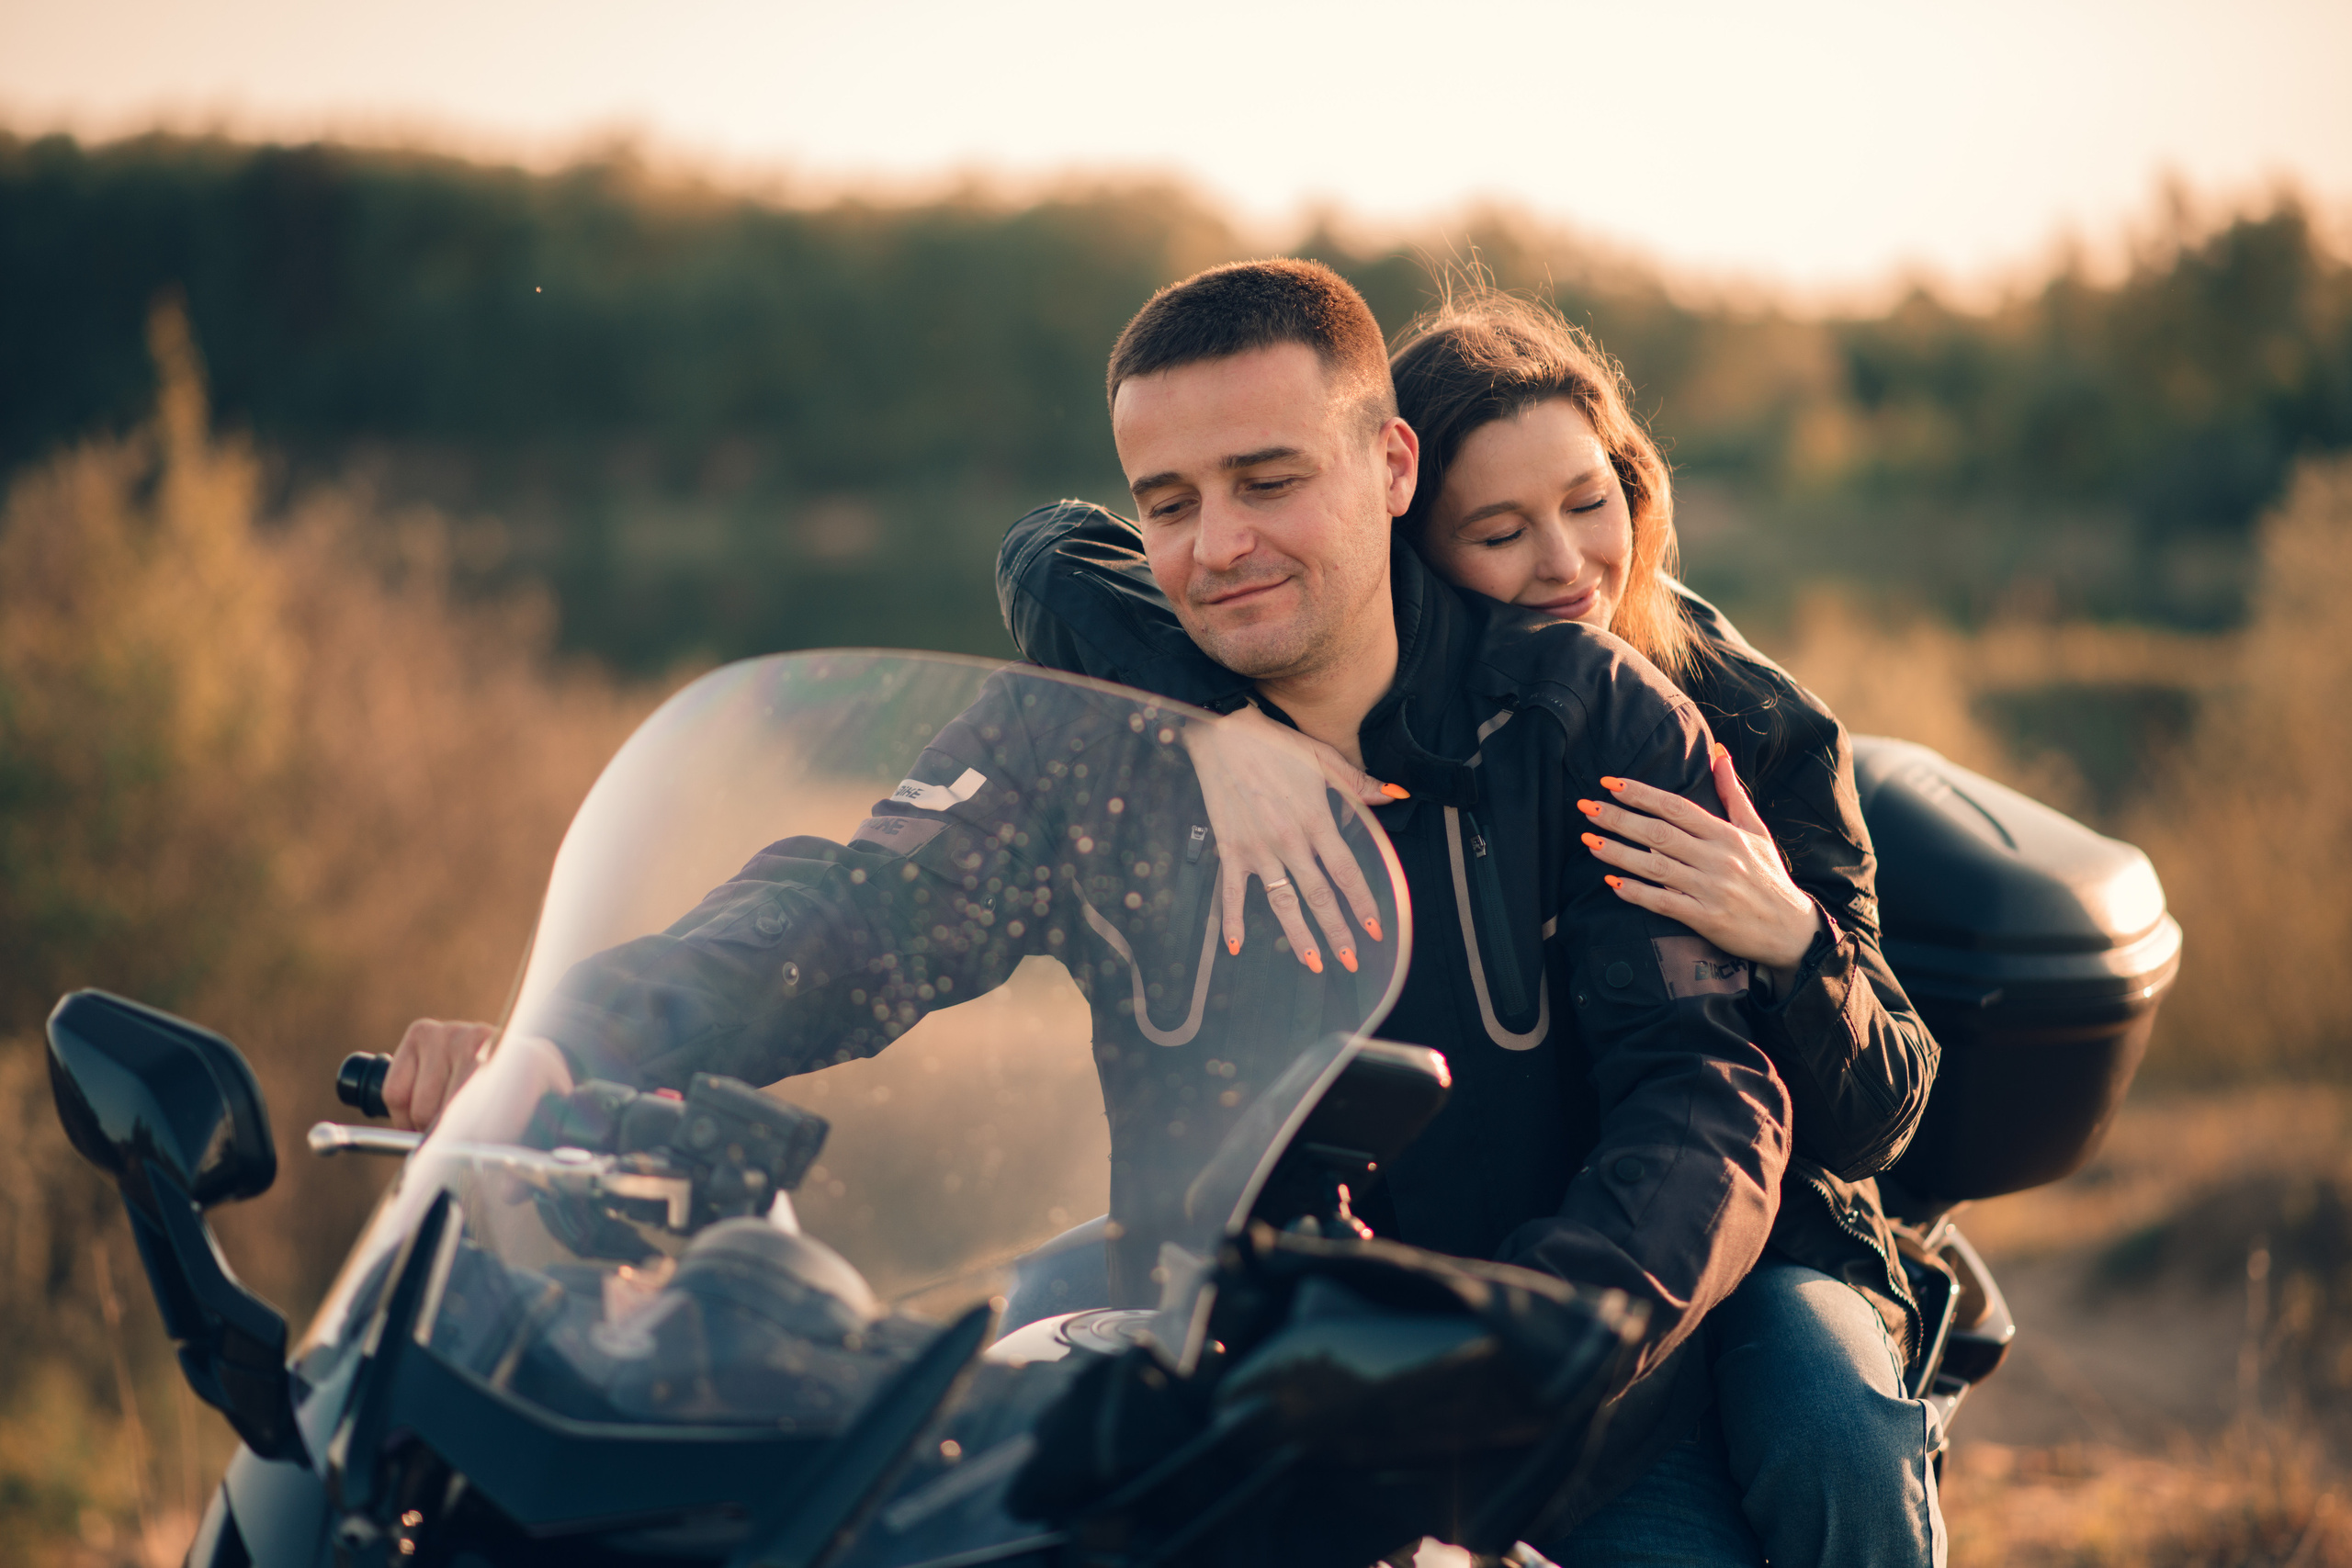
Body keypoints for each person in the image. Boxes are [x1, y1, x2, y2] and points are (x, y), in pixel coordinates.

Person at [385, 259, 1792, 1556]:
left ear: (1392, 463)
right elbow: (853, 918)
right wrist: (571, 1037)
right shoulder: (1089, 741)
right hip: (1199, 1410)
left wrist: (1522, 1343)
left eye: (1266, 480)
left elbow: (1703, 1101)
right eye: (1168, 501)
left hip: (1556, 1429)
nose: (1216, 545)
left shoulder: (1586, 717)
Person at [995, 287, 1945, 1565]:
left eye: (1588, 501)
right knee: (1050, 1315)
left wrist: (1795, 941)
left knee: (1833, 1425)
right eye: (1498, 530)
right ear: (1411, 538)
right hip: (1541, 1210)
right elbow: (1053, 551)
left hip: (1774, 1229)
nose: (1563, 563)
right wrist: (1205, 718)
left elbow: (1880, 1107)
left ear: (1636, 488)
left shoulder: (1756, 722)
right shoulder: (1418, 712)